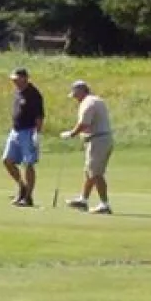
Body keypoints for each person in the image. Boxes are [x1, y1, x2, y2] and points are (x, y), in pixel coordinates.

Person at [60, 80, 114, 214]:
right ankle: (83, 200)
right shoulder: (95, 100)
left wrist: (71, 134)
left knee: (96, 173)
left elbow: (84, 123)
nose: (75, 98)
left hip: (98, 140)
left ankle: (104, 205)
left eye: (76, 95)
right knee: (89, 171)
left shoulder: (88, 103)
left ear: (82, 91)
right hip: (99, 139)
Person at [3, 68, 44, 207]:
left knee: (28, 163)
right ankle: (22, 187)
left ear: (24, 78)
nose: (14, 82)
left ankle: (28, 197)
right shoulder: (18, 92)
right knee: (7, 160)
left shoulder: (34, 94)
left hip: (29, 131)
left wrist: (37, 134)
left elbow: (39, 116)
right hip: (15, 131)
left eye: (16, 79)